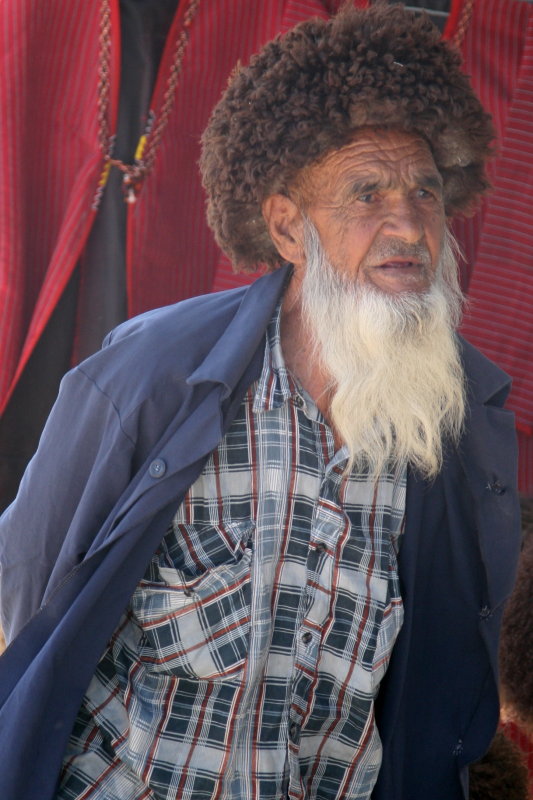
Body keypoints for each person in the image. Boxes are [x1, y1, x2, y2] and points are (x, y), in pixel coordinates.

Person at [0, 4, 522, 799]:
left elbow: (436, 682)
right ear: (285, 225)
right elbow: (29, 595)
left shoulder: (454, 424)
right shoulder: (151, 378)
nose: (409, 224)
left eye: (423, 191)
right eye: (366, 193)